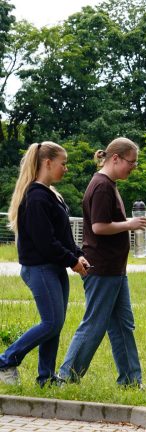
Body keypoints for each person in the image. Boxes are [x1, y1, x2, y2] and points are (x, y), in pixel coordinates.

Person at [59, 137, 146, 387]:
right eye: (132, 162)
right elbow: (98, 227)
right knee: (95, 325)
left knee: (123, 325)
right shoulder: (101, 186)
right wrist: (129, 224)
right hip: (102, 269)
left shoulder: (110, 184)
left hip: (115, 270)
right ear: (115, 158)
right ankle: (66, 377)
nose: (133, 167)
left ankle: (131, 381)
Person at [0, 142, 88, 387]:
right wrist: (72, 261)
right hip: (40, 268)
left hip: (54, 268)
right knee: (50, 323)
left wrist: (77, 254)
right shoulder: (36, 197)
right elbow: (45, 242)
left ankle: (46, 378)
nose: (66, 169)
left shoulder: (51, 195)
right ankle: (5, 360)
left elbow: (62, 236)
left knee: (55, 324)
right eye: (64, 163)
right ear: (47, 163)